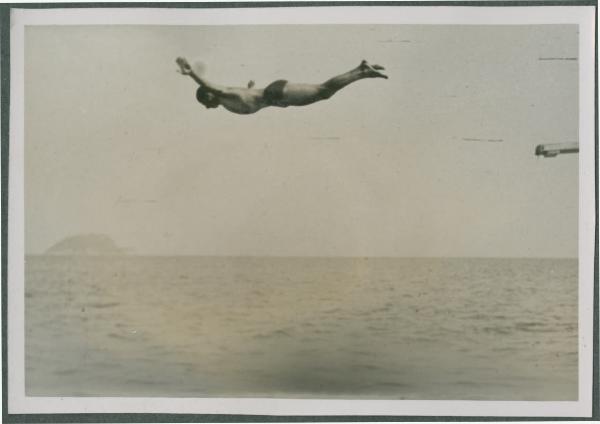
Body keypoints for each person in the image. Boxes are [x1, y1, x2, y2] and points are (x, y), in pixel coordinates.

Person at [176, 57, 388, 115]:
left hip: (276, 93)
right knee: (324, 93)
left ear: (209, 96)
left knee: (323, 92)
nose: (206, 107)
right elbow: (246, 95)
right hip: (277, 96)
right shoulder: (228, 101)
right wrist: (249, 87)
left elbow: (209, 85)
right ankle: (361, 70)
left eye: (204, 101)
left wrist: (192, 73)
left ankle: (362, 72)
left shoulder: (222, 93)